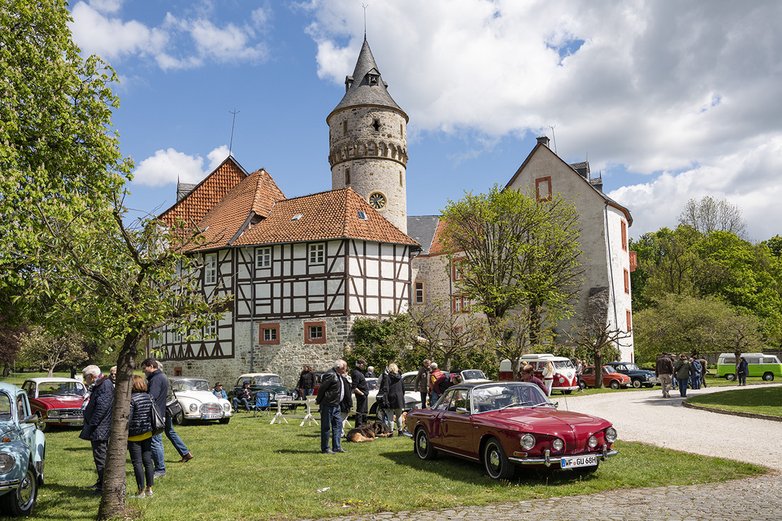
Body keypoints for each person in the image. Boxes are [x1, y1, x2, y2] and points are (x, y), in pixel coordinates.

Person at [142, 358, 193, 479]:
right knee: (170, 432)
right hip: (164, 411)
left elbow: (152, 397)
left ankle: (160, 469)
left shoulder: (156, 379)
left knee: (155, 441)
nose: (143, 371)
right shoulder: (163, 377)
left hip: (159, 413)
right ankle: (185, 453)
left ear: (151, 366)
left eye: (144, 368)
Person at [80, 365, 113, 493]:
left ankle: (103, 486)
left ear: (92, 376)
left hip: (100, 427)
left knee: (101, 457)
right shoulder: (99, 384)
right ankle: (101, 482)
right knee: (99, 456)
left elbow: (102, 407)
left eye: (85, 377)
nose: (85, 380)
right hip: (99, 426)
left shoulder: (104, 385)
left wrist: (92, 423)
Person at [127, 375, 155, 498]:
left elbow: (129, 417)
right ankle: (149, 488)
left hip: (134, 435)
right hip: (147, 432)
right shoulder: (149, 397)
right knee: (148, 462)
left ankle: (140, 491)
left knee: (137, 462)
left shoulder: (131, 399)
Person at [316, 359, 351, 454]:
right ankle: (325, 448)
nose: (346, 369)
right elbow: (322, 389)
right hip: (328, 404)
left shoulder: (338, 375)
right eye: (345, 367)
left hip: (336, 405)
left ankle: (337, 447)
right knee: (326, 427)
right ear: (339, 368)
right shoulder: (330, 374)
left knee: (338, 425)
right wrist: (318, 401)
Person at [379, 363, 405, 436]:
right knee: (399, 416)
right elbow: (403, 389)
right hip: (399, 398)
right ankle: (400, 431)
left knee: (390, 417)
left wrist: (385, 399)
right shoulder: (400, 378)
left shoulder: (387, 377)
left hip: (390, 397)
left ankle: (391, 432)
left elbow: (386, 389)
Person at [351, 360, 369, 427]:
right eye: (363, 365)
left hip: (364, 394)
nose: (364, 366)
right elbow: (354, 387)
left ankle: (363, 426)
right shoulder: (356, 373)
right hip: (361, 395)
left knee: (364, 412)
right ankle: (359, 426)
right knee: (360, 412)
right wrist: (362, 394)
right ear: (359, 364)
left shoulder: (360, 372)